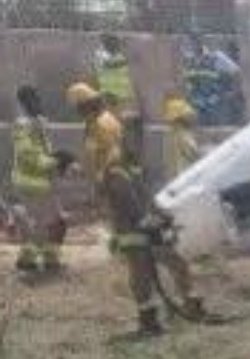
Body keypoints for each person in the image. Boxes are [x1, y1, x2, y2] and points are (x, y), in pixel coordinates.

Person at [67, 82, 204, 337]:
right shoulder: (106, 130)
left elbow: (117, 170)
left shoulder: (103, 129)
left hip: (130, 206)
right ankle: (179, 306)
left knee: (148, 258)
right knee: (153, 257)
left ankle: (160, 315)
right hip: (132, 204)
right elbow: (119, 170)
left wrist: (142, 215)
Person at [8, 86, 70, 276]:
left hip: (42, 183)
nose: (35, 103)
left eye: (36, 98)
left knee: (51, 222)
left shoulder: (38, 123)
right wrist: (55, 161)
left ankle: (36, 259)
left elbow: (43, 151)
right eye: (30, 100)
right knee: (48, 224)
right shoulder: (23, 126)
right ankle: (36, 260)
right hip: (30, 183)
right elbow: (30, 157)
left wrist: (58, 158)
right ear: (23, 103)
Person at [93, 32, 144, 164]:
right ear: (107, 43)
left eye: (117, 43)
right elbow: (109, 65)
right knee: (110, 126)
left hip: (120, 98)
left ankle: (123, 155)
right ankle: (113, 155)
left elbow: (121, 71)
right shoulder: (100, 54)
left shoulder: (119, 55)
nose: (117, 45)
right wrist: (128, 59)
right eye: (114, 42)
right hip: (109, 95)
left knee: (120, 126)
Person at [183, 33, 242, 128]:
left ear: (199, 42)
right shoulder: (189, 61)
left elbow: (236, 72)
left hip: (215, 107)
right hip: (196, 108)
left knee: (217, 134)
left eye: (191, 42)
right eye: (187, 43)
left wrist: (232, 92)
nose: (189, 46)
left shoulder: (216, 57)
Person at [162, 94, 201, 182]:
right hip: (184, 178)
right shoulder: (183, 134)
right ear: (180, 118)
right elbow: (194, 155)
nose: (192, 118)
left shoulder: (169, 134)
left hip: (173, 179)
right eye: (189, 115)